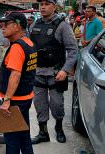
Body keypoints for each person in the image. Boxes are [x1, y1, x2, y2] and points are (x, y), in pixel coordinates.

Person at [0, 12, 37, 154]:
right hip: (25, 97)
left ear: (17, 26)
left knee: (11, 137)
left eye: (6, 24)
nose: (2, 27)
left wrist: (6, 100)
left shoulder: (17, 47)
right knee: (23, 131)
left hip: (15, 100)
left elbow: (15, 75)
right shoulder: (29, 43)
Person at [30, 0, 77, 144]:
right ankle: (43, 132)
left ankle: (59, 128)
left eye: (46, 4)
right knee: (39, 104)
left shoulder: (62, 25)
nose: (42, 7)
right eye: (41, 4)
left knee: (57, 105)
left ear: (54, 6)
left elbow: (73, 51)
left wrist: (65, 70)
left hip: (56, 73)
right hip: (37, 73)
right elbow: (29, 48)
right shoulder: (34, 25)